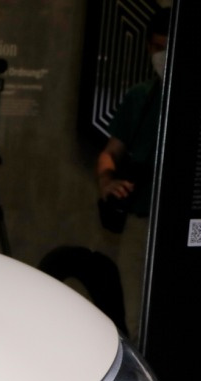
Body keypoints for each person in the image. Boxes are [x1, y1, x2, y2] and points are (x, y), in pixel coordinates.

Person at [95, 6, 169, 340]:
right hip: (141, 221)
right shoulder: (140, 97)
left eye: (168, 48)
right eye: (157, 47)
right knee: (139, 320)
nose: (162, 56)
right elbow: (110, 153)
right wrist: (107, 182)